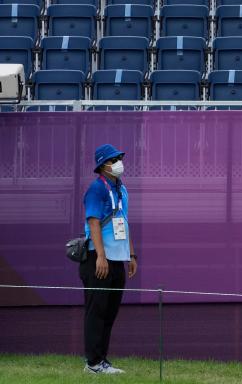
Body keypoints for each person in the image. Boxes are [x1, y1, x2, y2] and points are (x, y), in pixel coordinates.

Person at [79, 144, 137, 374]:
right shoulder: (96, 189)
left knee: (109, 312)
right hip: (98, 258)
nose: (119, 163)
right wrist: (100, 257)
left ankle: (102, 360)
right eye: (114, 159)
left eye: (120, 158)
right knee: (97, 312)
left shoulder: (122, 190)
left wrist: (131, 254)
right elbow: (93, 222)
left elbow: (124, 221)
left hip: (118, 259)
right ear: (103, 165)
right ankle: (92, 363)